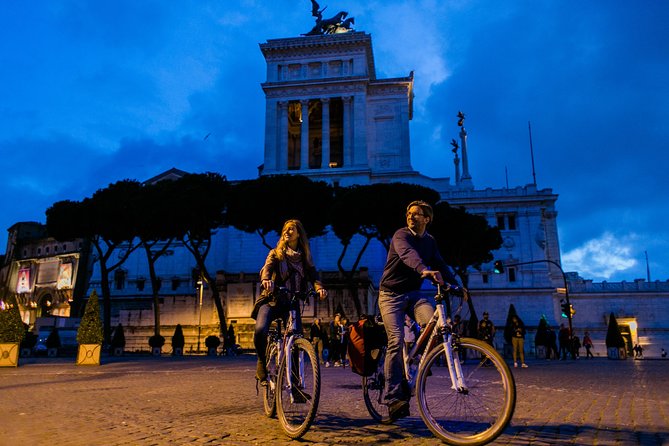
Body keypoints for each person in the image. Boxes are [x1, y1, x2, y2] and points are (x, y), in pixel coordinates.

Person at [378, 200, 459, 421]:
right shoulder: (400, 235)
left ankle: (413, 362)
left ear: (427, 219)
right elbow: (407, 255)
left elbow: (441, 264)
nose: (411, 217)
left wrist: (459, 286)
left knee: (431, 324)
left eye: (417, 214)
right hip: (390, 295)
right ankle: (393, 396)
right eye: (409, 213)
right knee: (395, 339)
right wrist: (424, 270)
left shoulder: (430, 241)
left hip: (414, 295)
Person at [252, 219, 328, 386]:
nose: (287, 232)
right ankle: (261, 362)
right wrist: (266, 280)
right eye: (285, 229)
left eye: (291, 229)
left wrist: (320, 288)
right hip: (271, 301)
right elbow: (267, 269)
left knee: (295, 341)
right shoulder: (275, 253)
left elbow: (314, 277)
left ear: (299, 234)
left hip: (292, 303)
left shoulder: (305, 259)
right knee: (260, 330)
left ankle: (295, 385)